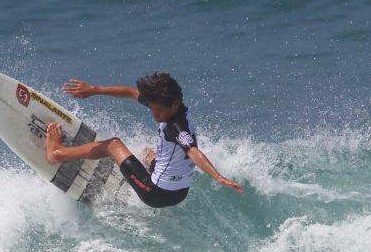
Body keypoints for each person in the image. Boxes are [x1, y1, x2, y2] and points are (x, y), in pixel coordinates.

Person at [46, 72, 244, 208]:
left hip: (155, 193)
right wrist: (95, 89)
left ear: (174, 105)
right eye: (151, 108)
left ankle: (58, 154)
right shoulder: (172, 104)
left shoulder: (176, 127)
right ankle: (144, 168)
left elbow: (193, 152)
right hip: (180, 192)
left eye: (158, 110)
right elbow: (132, 93)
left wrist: (218, 177)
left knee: (114, 144)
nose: (153, 114)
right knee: (148, 154)